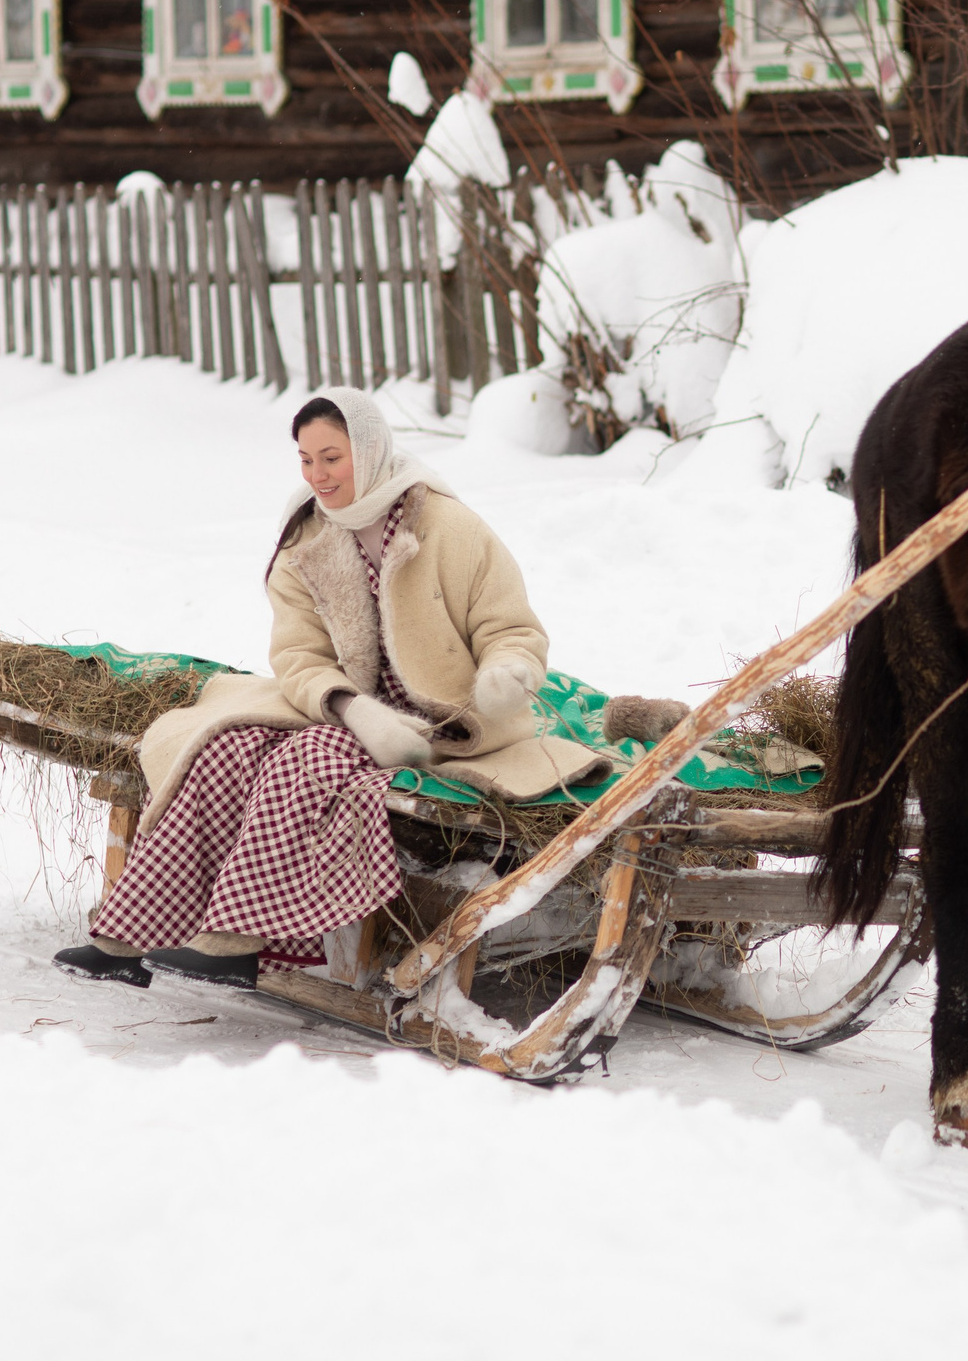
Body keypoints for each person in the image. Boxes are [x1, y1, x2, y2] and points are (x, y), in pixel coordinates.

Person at [53, 386, 595, 989]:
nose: (318, 475)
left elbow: (511, 627)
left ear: (368, 448)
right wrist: (352, 707)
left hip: (446, 727)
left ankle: (236, 941)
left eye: (331, 457)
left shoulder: (448, 526)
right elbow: (298, 655)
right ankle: (129, 937)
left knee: (305, 758)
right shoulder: (306, 538)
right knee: (226, 749)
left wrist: (506, 673)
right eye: (307, 460)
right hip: (352, 713)